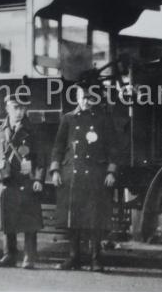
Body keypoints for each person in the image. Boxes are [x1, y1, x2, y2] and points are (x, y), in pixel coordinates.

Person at [50, 83, 119, 272]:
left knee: (94, 218)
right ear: (77, 98)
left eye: (90, 98)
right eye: (83, 97)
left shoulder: (103, 120)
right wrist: (55, 170)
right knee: (73, 218)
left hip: (96, 174)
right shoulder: (68, 119)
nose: (87, 101)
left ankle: (96, 259)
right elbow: (58, 147)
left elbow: (113, 148)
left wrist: (111, 171)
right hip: (72, 174)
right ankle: (74, 258)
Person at [0, 92, 45, 269]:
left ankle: (29, 257)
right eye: (16, 108)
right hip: (7, 181)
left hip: (26, 181)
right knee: (8, 220)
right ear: (7, 108)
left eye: (23, 108)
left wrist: (39, 179)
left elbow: (41, 159)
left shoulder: (33, 131)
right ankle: (9, 255)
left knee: (29, 222)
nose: (19, 112)